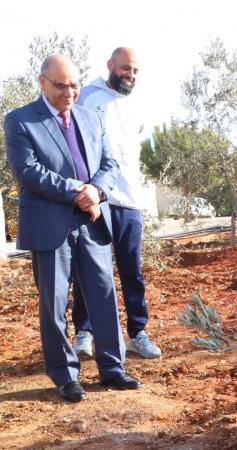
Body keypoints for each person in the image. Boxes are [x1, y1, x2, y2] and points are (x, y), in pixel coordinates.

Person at [4, 54, 140, 403]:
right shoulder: (20, 120)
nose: (70, 93)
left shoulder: (89, 115)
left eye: (75, 85)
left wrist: (95, 190)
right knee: (54, 304)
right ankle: (65, 376)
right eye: (61, 85)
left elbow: (109, 163)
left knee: (104, 295)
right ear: (42, 82)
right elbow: (28, 171)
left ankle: (113, 368)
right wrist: (78, 191)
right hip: (51, 224)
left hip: (93, 219)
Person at [71, 47, 161, 359]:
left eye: (135, 71)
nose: (130, 75)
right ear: (110, 65)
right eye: (125, 68)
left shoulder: (138, 104)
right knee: (91, 270)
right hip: (97, 198)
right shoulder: (87, 98)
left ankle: (138, 332)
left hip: (130, 200)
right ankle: (84, 332)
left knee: (132, 271)